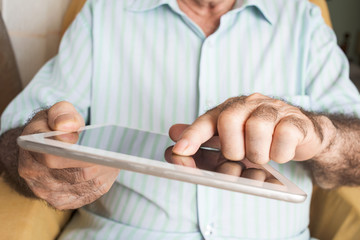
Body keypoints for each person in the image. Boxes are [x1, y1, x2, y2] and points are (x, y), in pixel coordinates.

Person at [1, 0, 360, 239]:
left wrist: (321, 134)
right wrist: (32, 154)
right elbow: (15, 135)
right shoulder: (104, 10)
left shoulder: (303, 18)